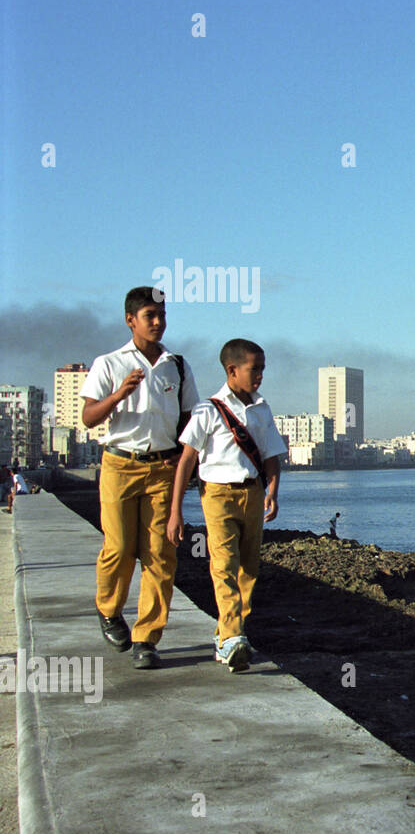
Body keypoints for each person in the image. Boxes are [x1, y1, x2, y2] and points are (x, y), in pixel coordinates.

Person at [81, 287, 198, 669]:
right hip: (119, 465)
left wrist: (189, 466)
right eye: (150, 315)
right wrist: (118, 395)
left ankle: (147, 637)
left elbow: (187, 421)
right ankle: (109, 609)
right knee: (118, 548)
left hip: (163, 468)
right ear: (130, 319)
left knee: (161, 554)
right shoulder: (109, 363)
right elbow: (88, 418)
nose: (158, 322)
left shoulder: (176, 365)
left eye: (162, 314)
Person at [166, 339, 286, 673]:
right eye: (254, 369)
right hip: (217, 494)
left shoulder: (262, 408)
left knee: (249, 568)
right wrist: (176, 511)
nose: (260, 376)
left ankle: (228, 636)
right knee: (223, 564)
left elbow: (272, 455)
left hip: (252, 491)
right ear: (232, 370)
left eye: (262, 369)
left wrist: (273, 490)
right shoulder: (207, 410)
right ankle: (233, 635)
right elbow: (187, 460)